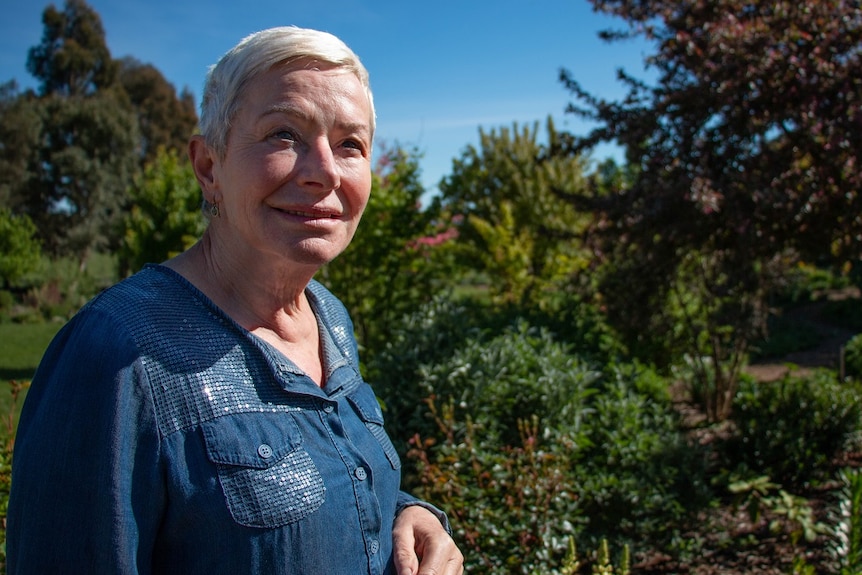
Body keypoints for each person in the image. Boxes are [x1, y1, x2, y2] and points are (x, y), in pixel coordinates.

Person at [7, 26, 463, 575]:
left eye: (350, 145)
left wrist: (408, 514)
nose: (324, 172)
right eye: (283, 135)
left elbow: (327, 478)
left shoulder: (329, 318)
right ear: (208, 167)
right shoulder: (116, 356)